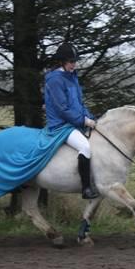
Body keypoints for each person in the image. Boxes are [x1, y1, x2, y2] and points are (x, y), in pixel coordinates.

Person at [44, 42, 100, 199]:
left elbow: (79, 103)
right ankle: (86, 188)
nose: (73, 65)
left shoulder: (72, 77)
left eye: (75, 61)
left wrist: (90, 118)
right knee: (85, 147)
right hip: (61, 125)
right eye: (70, 62)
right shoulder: (55, 80)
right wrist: (83, 121)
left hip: (74, 122)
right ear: (62, 61)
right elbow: (63, 109)